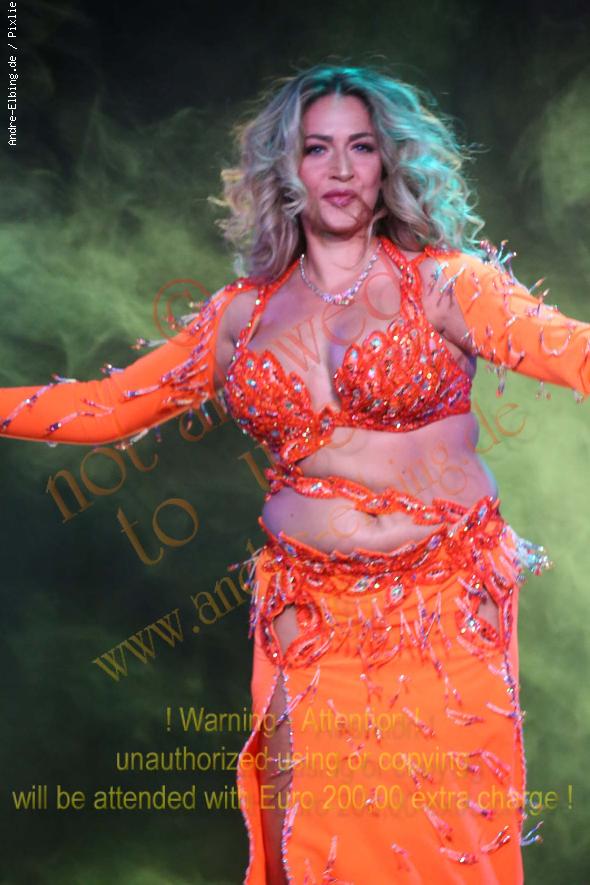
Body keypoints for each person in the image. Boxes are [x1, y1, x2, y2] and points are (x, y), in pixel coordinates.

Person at [0, 63, 587, 883]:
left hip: (442, 621)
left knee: (442, 855)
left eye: (361, 147)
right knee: (314, 856)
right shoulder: (241, 315)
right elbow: (106, 407)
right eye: (317, 148)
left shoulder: (448, 286)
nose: (341, 169)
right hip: (308, 626)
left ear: (389, 162)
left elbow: (576, 353)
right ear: (286, 167)